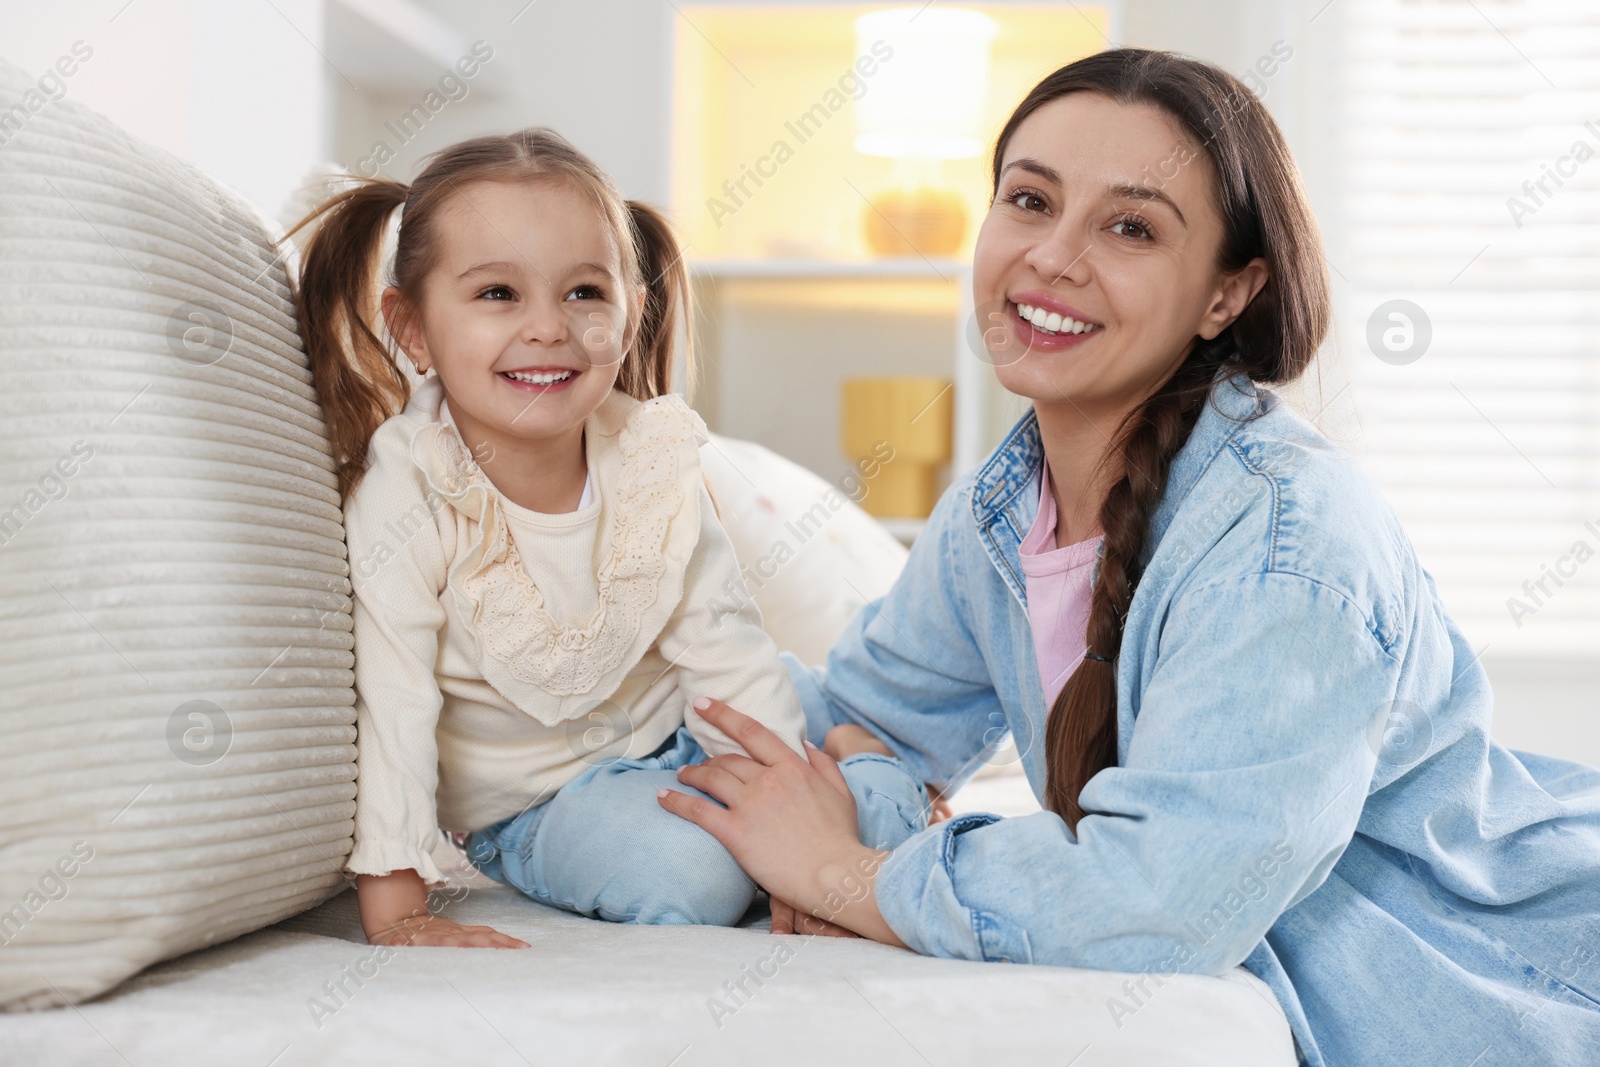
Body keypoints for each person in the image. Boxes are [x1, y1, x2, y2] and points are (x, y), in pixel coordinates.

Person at [658, 49, 1600, 1065]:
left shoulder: (1289, 548)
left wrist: (848, 874)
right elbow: (848, 719)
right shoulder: (1000, 513)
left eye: (1129, 226)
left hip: (1516, 985)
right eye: (1028, 199)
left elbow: (1159, 900)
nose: (1053, 258)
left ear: (1225, 295)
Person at [288, 128, 928, 949]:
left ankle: (857, 749)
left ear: (631, 313)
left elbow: (724, 647)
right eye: (497, 295)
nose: (550, 328)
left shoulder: (654, 461)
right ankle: (850, 744)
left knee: (863, 815)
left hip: (692, 725)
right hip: (547, 802)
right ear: (412, 328)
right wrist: (398, 909)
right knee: (688, 879)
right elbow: (395, 702)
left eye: (585, 292)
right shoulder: (410, 489)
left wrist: (805, 844)